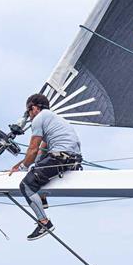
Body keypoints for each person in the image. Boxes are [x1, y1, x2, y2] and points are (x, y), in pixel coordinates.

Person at [9, 94, 82, 240]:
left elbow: (33, 150)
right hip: (74, 160)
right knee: (37, 170)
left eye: (28, 112)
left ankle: (44, 223)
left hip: (60, 157)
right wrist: (18, 166)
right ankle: (41, 198)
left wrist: (22, 169)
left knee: (26, 185)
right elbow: (40, 154)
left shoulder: (39, 119)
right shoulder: (54, 120)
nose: (29, 117)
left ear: (34, 108)